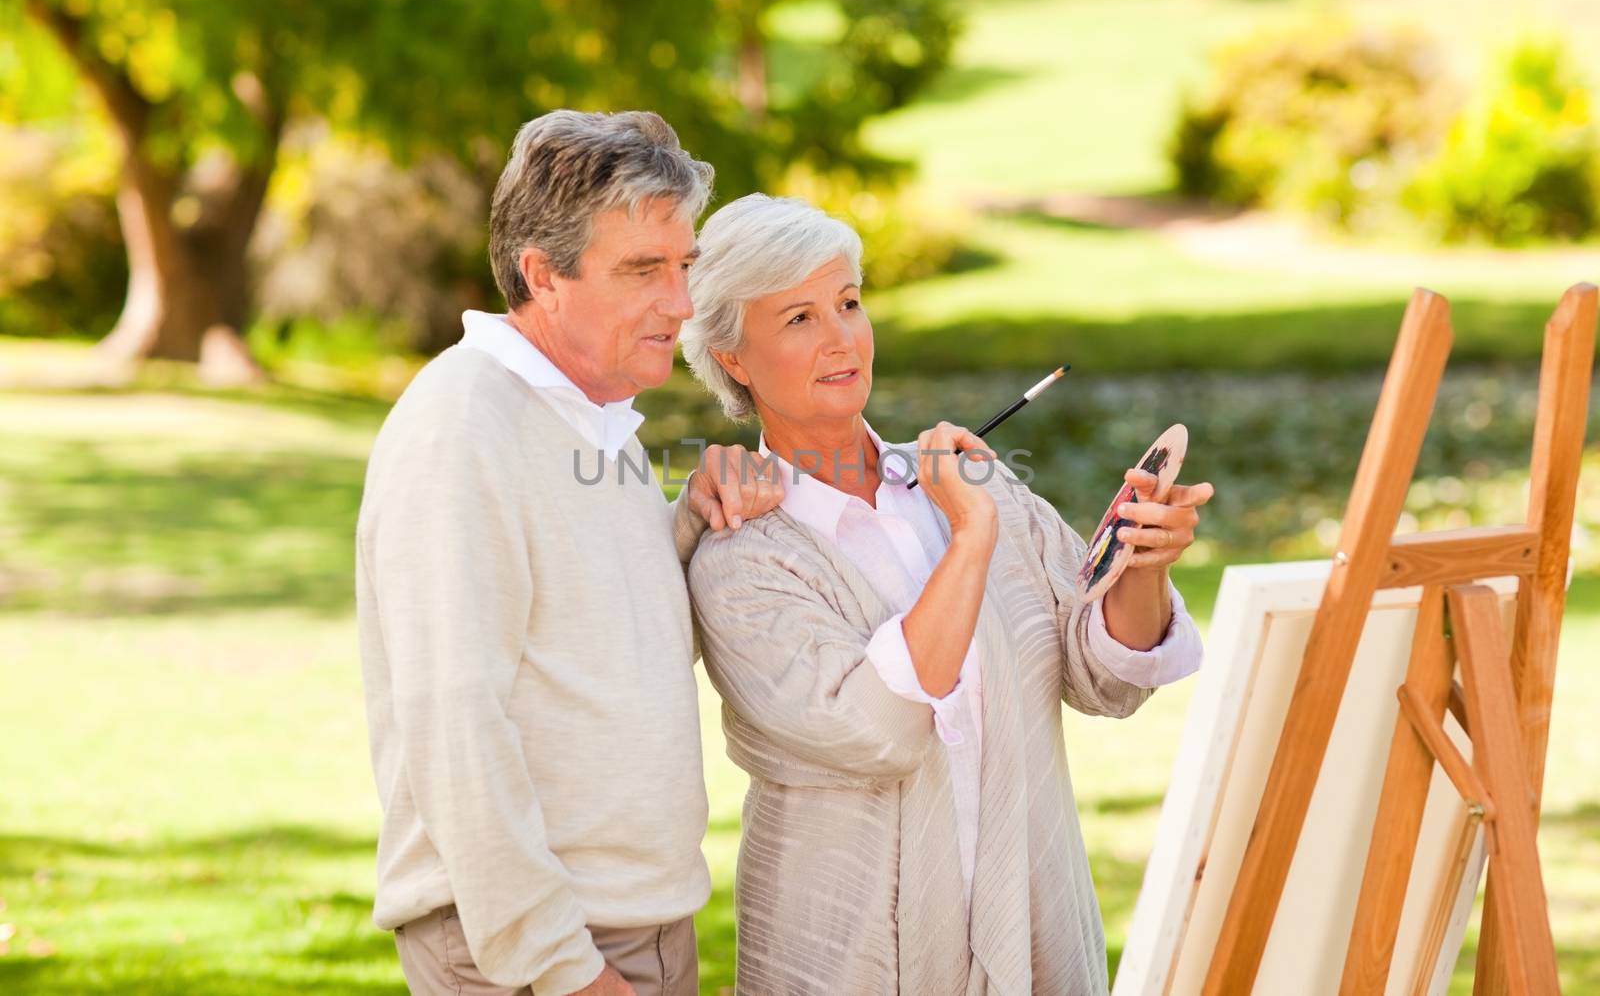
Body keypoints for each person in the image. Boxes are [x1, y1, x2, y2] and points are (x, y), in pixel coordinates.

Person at [679, 194, 1214, 994]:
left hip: (1036, 926)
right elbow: (878, 728)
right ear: (732, 357)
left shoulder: (972, 480)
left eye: (849, 303)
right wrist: (968, 538)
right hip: (843, 954)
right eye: (798, 318)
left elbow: (1102, 676)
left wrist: (1141, 563)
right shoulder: (740, 556)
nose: (842, 339)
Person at [356, 111, 782, 996]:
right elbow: (453, 723)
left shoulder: (590, 418)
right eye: (642, 271)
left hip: (631, 929)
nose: (680, 303)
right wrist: (562, 969)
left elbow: (589, 641)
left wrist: (687, 523)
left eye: (683, 268)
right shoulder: (463, 426)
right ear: (543, 276)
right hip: (537, 952)